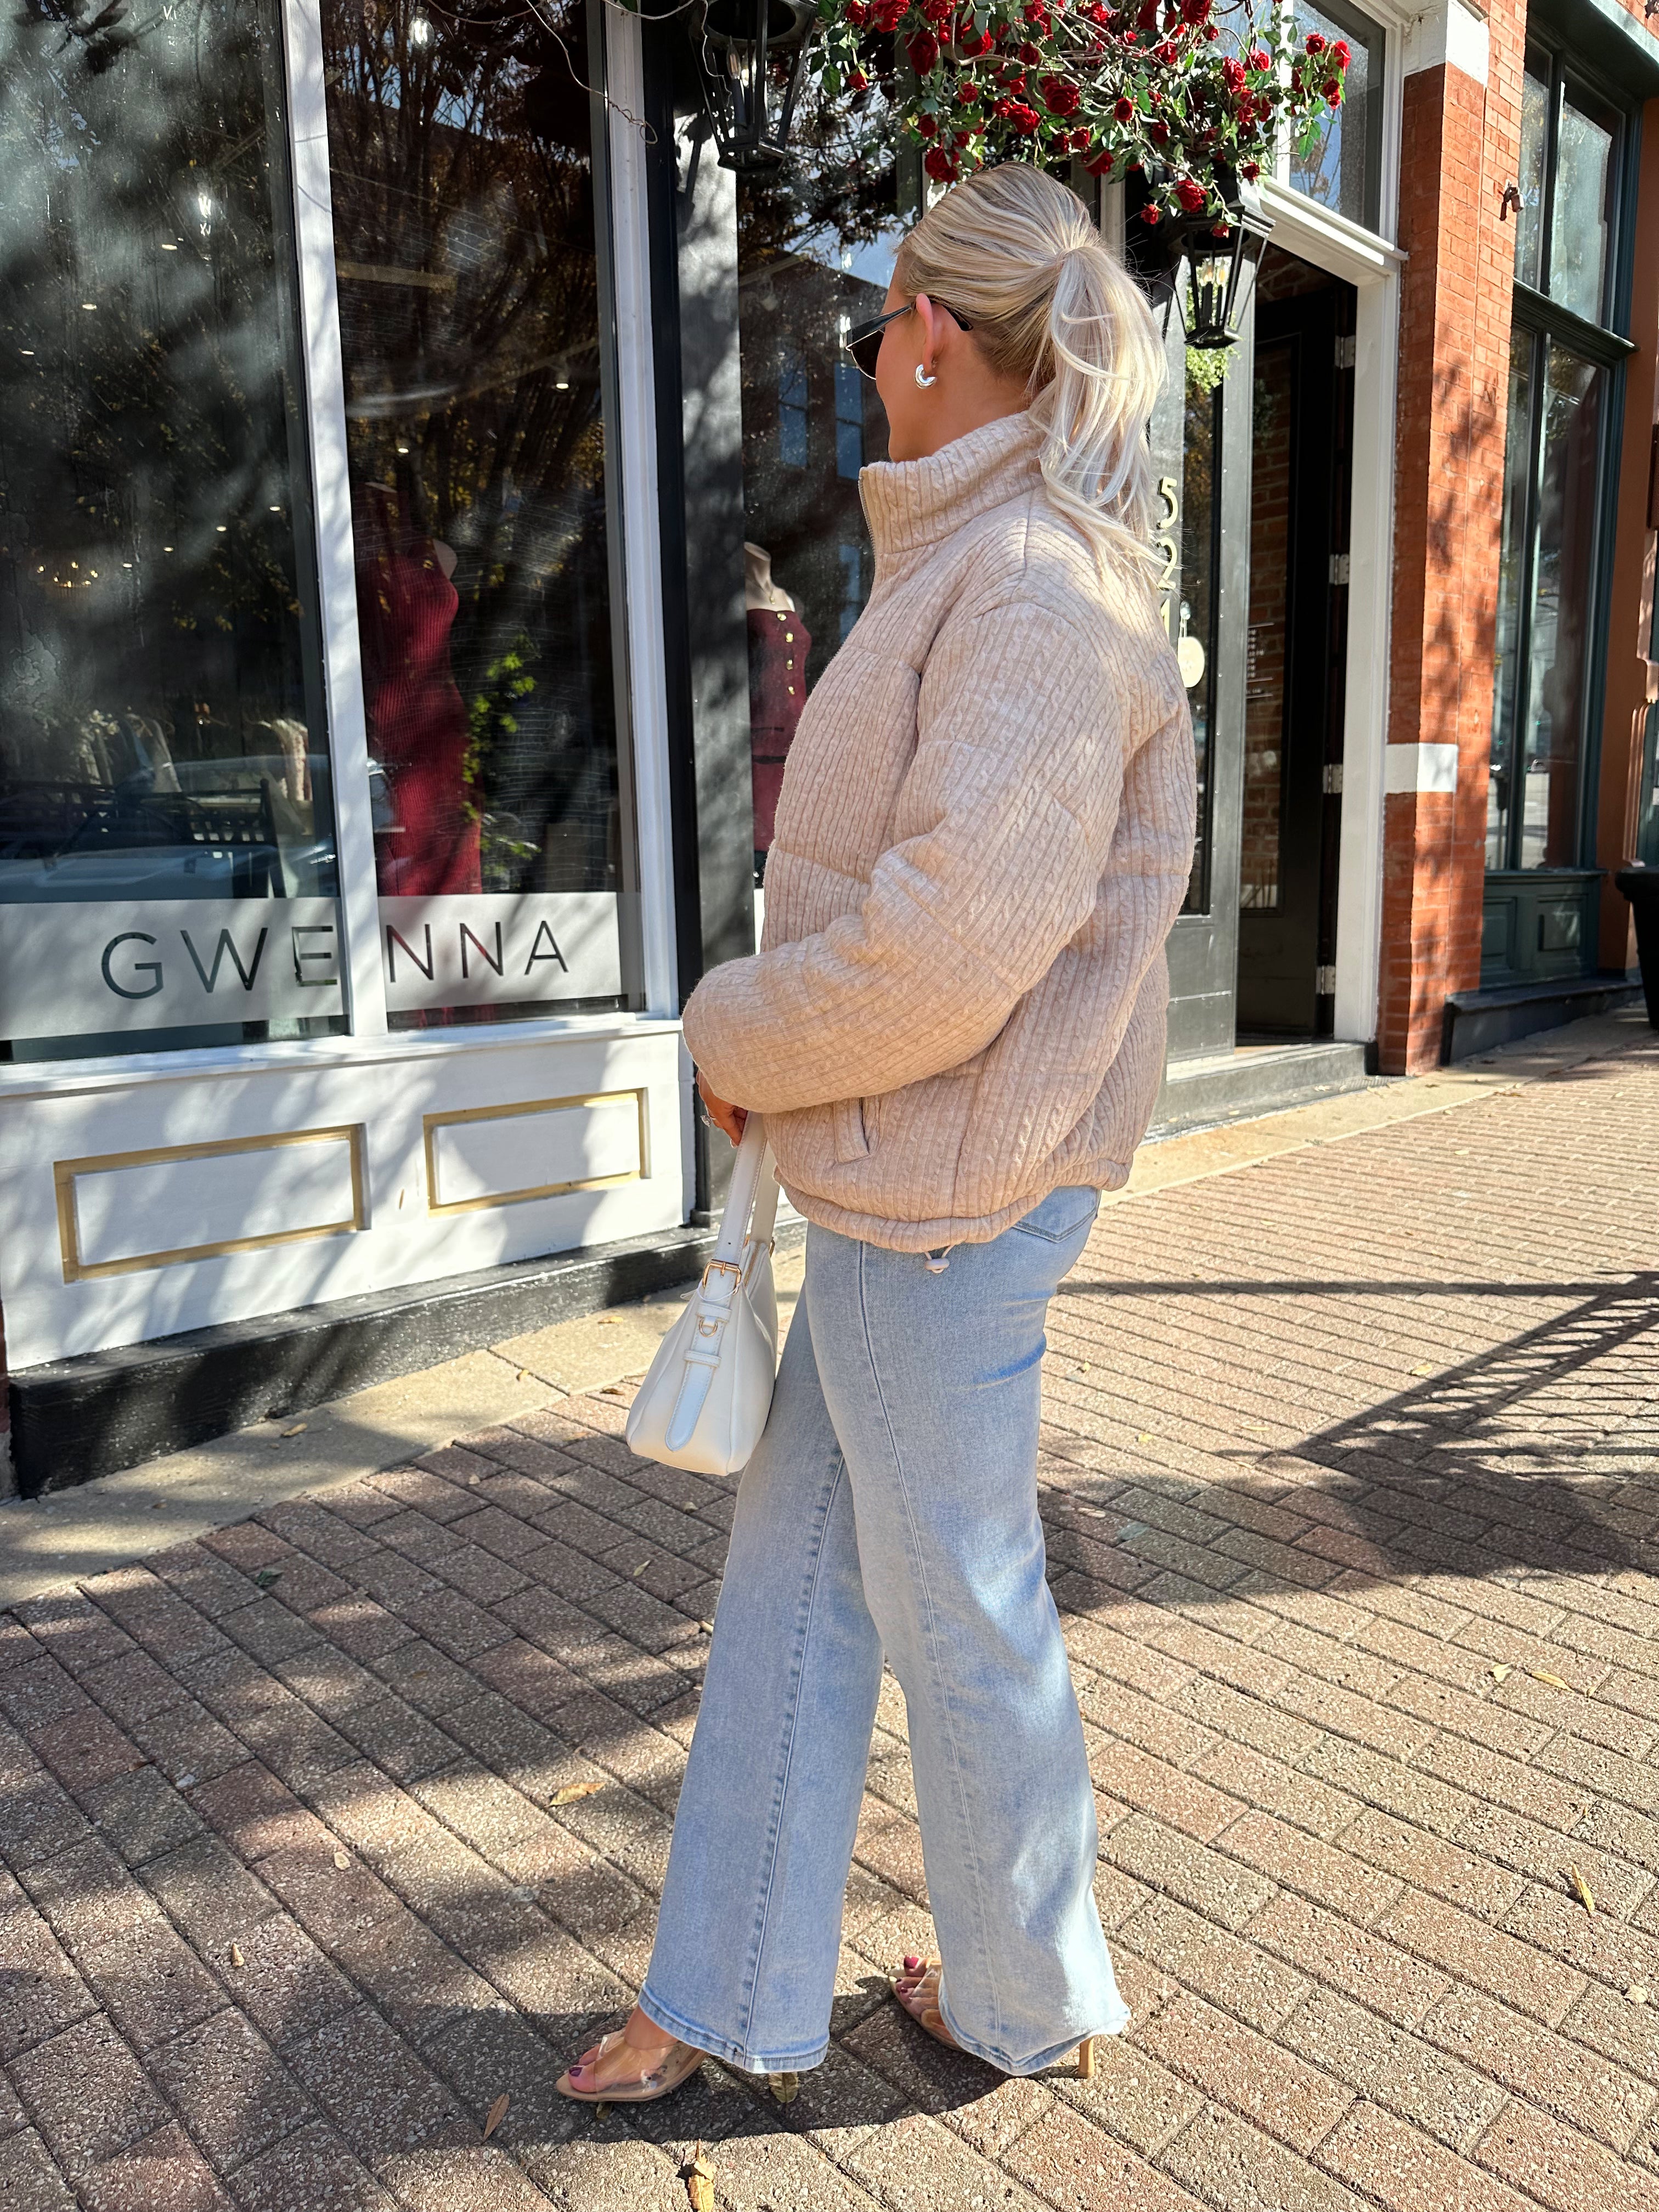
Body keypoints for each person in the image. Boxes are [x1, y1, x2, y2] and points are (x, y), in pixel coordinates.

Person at [557, 162, 1195, 2103]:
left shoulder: (1025, 585)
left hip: (949, 1189)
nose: (869, 350)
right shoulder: (999, 560)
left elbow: (955, 933)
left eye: (876, 318)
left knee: (964, 1609)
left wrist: (736, 1028)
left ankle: (1026, 1995)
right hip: (921, 1174)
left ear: (930, 332)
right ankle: (739, 1988)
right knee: (815, 1572)